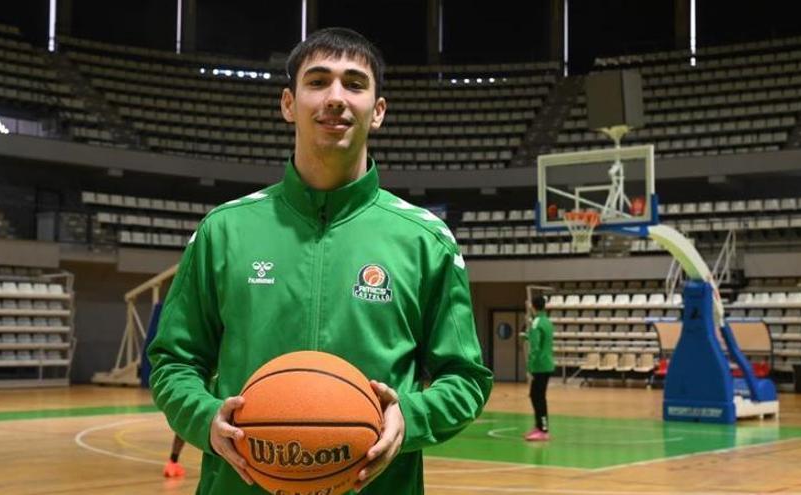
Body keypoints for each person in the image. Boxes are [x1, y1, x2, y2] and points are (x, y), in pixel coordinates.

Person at [148, 27, 493, 495]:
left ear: (379, 111)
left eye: (354, 83)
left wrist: (409, 417)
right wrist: (205, 417)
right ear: (289, 104)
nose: (335, 97)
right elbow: (173, 361)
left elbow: (466, 378)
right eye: (317, 82)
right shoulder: (224, 230)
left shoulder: (426, 240)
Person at [522, 294, 554, 441]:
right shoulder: (547, 322)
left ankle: (543, 429)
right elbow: (541, 340)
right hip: (548, 364)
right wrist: (527, 336)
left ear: (532, 306)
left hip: (539, 366)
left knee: (537, 397)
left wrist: (530, 366)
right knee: (537, 396)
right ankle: (539, 426)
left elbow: (535, 347)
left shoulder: (535, 323)